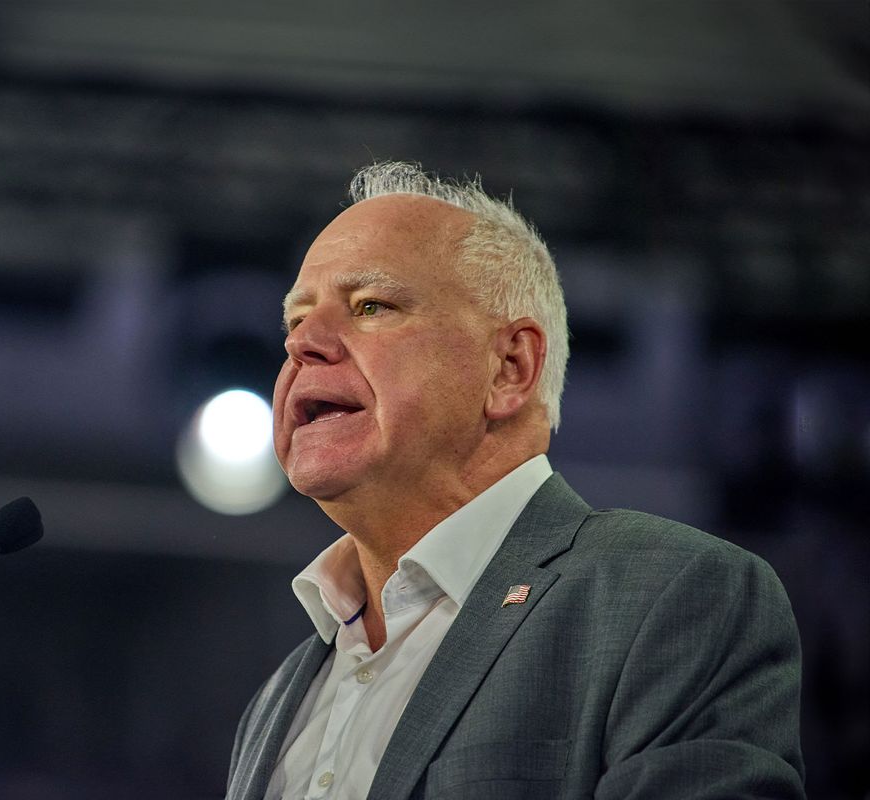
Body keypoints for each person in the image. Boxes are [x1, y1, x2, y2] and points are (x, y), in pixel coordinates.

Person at [226, 162, 804, 799]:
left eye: (371, 306)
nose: (305, 343)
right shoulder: (280, 696)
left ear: (510, 367)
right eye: (295, 320)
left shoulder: (668, 598)